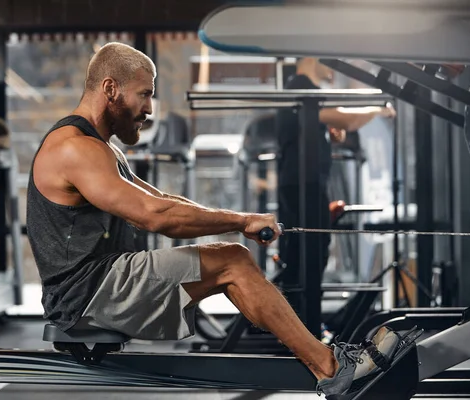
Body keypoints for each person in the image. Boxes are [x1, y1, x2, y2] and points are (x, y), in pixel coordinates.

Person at [26, 43, 400, 397]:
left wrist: (242, 219)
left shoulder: (102, 148)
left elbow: (160, 198)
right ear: (110, 89)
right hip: (88, 293)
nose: (150, 109)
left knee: (230, 262)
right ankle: (332, 368)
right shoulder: (74, 147)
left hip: (100, 284)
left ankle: (323, 357)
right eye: (144, 94)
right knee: (232, 260)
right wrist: (240, 222)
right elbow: (155, 216)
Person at [276, 58, 396, 303]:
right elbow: (347, 120)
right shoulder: (300, 86)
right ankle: (297, 322)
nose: (333, 67)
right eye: (328, 59)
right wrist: (377, 107)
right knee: (309, 254)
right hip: (302, 184)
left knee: (310, 253)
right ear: (311, 58)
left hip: (306, 182)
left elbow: (329, 125)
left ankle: (298, 320)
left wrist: (328, 133)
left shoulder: (307, 90)